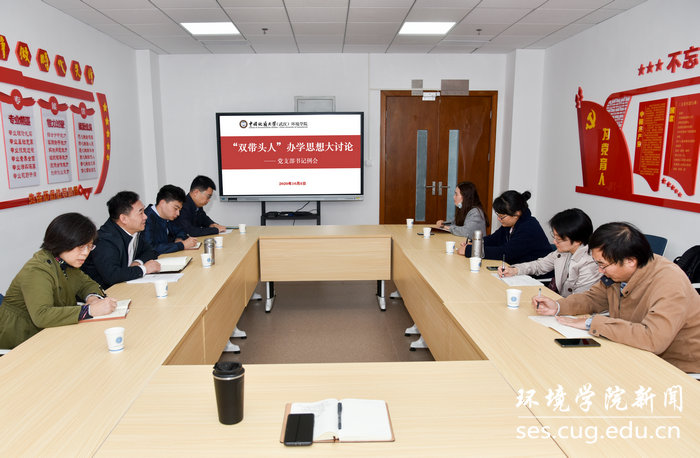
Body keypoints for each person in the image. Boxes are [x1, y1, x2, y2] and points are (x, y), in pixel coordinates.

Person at [533, 222, 700, 373]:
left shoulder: (669, 282)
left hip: (675, 367)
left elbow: (653, 339)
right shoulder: (620, 272)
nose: (600, 270)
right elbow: (593, 298)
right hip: (632, 350)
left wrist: (591, 323)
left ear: (630, 261)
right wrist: (558, 306)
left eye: (602, 264)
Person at [0, 213, 118, 349]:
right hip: (20, 339)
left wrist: (92, 298)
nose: (86, 253)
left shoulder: (65, 262)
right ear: (63, 242)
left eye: (89, 246)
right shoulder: (37, 270)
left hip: (50, 332)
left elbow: (87, 283)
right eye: (81, 247)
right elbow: (42, 315)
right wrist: (89, 310)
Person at [498, 208, 600, 297]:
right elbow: (540, 265)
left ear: (578, 241)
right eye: (554, 237)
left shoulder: (590, 263)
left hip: (575, 308)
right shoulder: (564, 251)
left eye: (559, 239)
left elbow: (579, 300)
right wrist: (514, 270)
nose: (554, 242)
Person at [82, 191, 160, 289]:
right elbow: (112, 276)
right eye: (141, 213)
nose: (145, 216)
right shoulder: (105, 240)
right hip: (105, 292)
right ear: (123, 219)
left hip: (124, 286)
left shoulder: (133, 231)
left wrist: (137, 262)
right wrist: (144, 269)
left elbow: (151, 251)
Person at [458, 190, 551, 264]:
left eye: (502, 217)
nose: (499, 219)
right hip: (515, 268)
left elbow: (505, 253)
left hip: (535, 275)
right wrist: (474, 243)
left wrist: (471, 251)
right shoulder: (510, 223)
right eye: (498, 215)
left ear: (517, 214)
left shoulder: (529, 227)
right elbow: (494, 239)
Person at [144, 184, 199, 255]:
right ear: (162, 203)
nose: (178, 213)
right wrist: (181, 245)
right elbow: (151, 249)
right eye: (175, 208)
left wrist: (179, 239)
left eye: (179, 210)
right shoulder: (146, 219)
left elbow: (181, 230)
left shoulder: (168, 216)